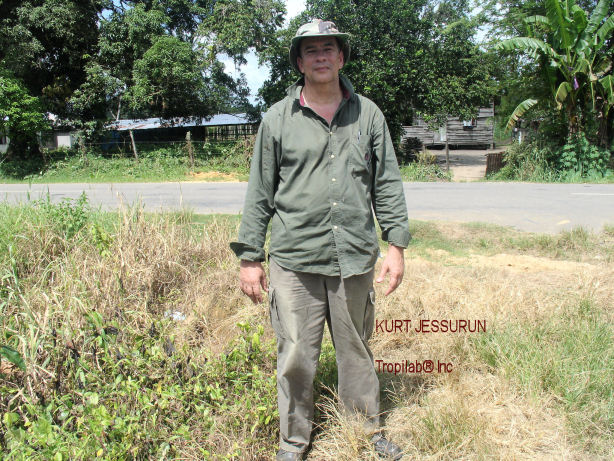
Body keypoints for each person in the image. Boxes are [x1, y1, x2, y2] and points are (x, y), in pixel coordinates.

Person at [230, 19, 409, 461]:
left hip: (353, 257)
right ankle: (293, 443)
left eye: (329, 48)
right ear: (300, 62)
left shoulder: (368, 114)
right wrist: (250, 257)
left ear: (341, 57)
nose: (322, 56)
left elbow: (385, 182)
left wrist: (396, 245)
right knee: (294, 355)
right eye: (311, 51)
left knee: (356, 350)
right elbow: (260, 191)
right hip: (294, 259)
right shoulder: (277, 118)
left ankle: (364, 433)